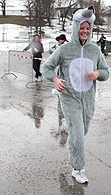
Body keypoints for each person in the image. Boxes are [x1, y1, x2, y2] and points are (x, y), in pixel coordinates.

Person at [42, 6, 109, 184]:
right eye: (82, 27)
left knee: (82, 130)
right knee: (78, 135)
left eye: (88, 28)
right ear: (75, 27)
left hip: (88, 98)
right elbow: (46, 67)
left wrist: (97, 74)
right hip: (69, 97)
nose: (85, 31)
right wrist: (55, 79)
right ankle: (78, 169)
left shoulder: (95, 50)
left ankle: (65, 126)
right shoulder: (64, 49)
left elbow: (106, 71)